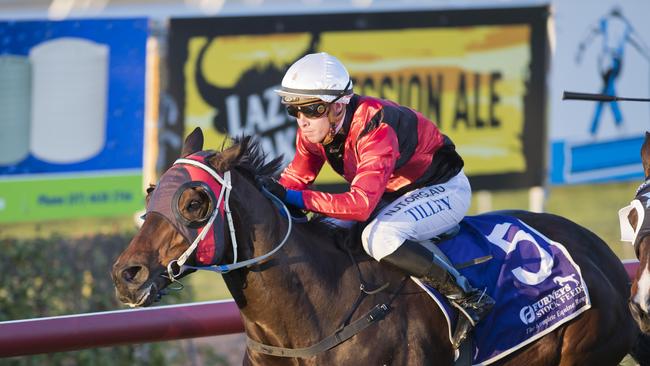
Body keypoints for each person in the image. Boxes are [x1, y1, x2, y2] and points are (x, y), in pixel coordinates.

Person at [263, 52, 494, 348]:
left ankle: (467, 297)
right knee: (326, 229)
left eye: (310, 110)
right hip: (393, 194)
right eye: (294, 111)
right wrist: (264, 193)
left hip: (444, 189)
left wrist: (295, 197)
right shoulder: (314, 132)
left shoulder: (376, 127)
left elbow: (360, 206)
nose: (302, 121)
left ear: (337, 108)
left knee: (379, 237)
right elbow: (294, 180)